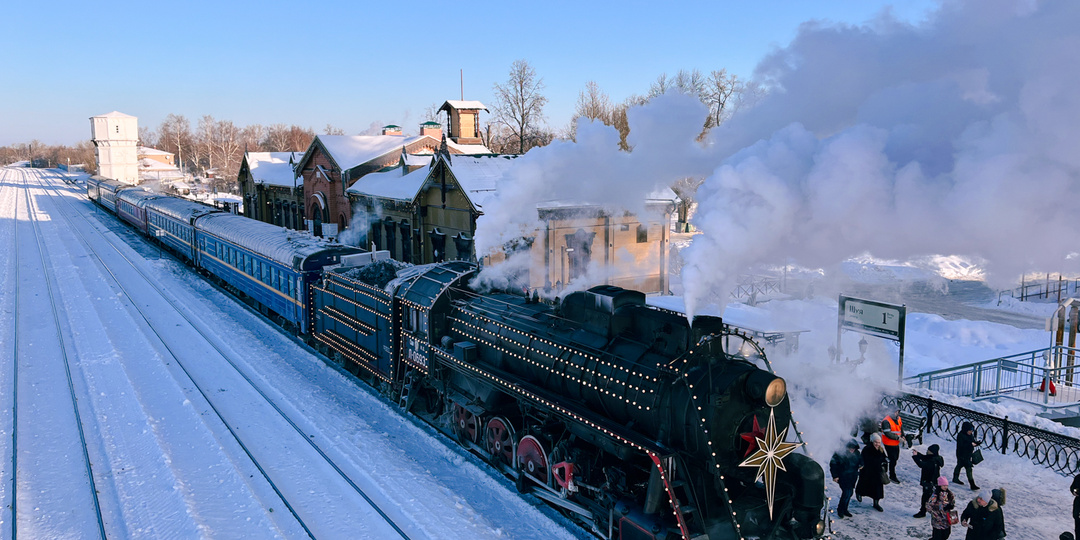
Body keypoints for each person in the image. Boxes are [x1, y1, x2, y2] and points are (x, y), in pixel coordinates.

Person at [830, 440, 863, 518]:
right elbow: (833, 465)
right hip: (843, 476)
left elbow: (861, 460)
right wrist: (835, 476)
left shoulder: (857, 453)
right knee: (846, 493)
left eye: (854, 448)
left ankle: (845, 509)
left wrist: (862, 464)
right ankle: (840, 510)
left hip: (852, 476)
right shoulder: (839, 454)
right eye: (850, 448)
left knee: (849, 493)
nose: (852, 450)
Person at [856, 432, 887, 511]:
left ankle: (876, 503)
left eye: (879, 442)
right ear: (872, 442)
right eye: (876, 442)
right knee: (864, 484)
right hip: (868, 472)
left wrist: (885, 464)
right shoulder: (867, 449)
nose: (877, 444)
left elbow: (884, 458)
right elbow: (863, 459)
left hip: (877, 472)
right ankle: (859, 493)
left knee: (877, 489)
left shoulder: (881, 449)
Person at [913, 444, 945, 518]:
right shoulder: (936, 458)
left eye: (929, 451)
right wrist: (918, 454)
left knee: (926, 497)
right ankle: (934, 511)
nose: (927, 451)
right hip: (934, 481)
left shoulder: (931, 461)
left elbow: (921, 464)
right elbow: (925, 457)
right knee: (933, 497)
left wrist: (915, 457)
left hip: (928, 481)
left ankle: (923, 511)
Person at [953, 421, 981, 490]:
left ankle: (955, 478)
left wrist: (976, 443)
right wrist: (971, 444)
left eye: (971, 431)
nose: (971, 432)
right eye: (969, 430)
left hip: (968, 454)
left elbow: (971, 442)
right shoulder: (960, 435)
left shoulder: (970, 435)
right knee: (968, 468)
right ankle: (972, 484)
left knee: (959, 465)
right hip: (962, 454)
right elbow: (961, 446)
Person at [882, 407, 904, 483]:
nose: (896, 413)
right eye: (895, 412)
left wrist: (903, 435)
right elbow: (887, 433)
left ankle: (885, 460)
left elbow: (901, 427)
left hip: (895, 443)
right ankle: (892, 475)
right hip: (889, 443)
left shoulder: (898, 418)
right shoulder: (886, 421)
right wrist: (898, 438)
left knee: (895, 458)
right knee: (893, 459)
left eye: (897, 412)